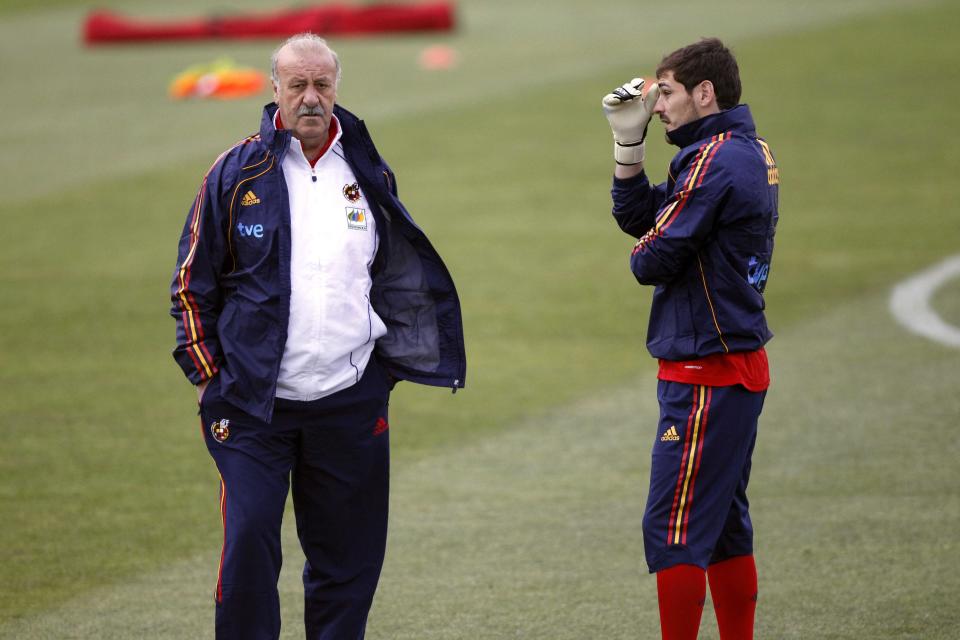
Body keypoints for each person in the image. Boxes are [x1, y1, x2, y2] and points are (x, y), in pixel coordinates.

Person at [170, 33, 466, 640]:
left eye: (322, 85)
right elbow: (190, 285)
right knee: (250, 547)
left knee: (348, 563)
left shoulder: (367, 171)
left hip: (349, 401)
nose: (311, 98)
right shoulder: (234, 172)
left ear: (337, 88)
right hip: (254, 406)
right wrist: (207, 378)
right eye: (297, 85)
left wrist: (382, 372)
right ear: (273, 87)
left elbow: (392, 276)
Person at [601, 38, 779, 640]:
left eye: (668, 92)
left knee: (674, 527)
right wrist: (629, 148)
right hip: (729, 362)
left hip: (708, 371)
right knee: (725, 523)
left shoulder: (718, 160)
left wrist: (648, 246)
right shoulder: (730, 151)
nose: (657, 106)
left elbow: (649, 255)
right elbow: (643, 217)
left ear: (706, 92)